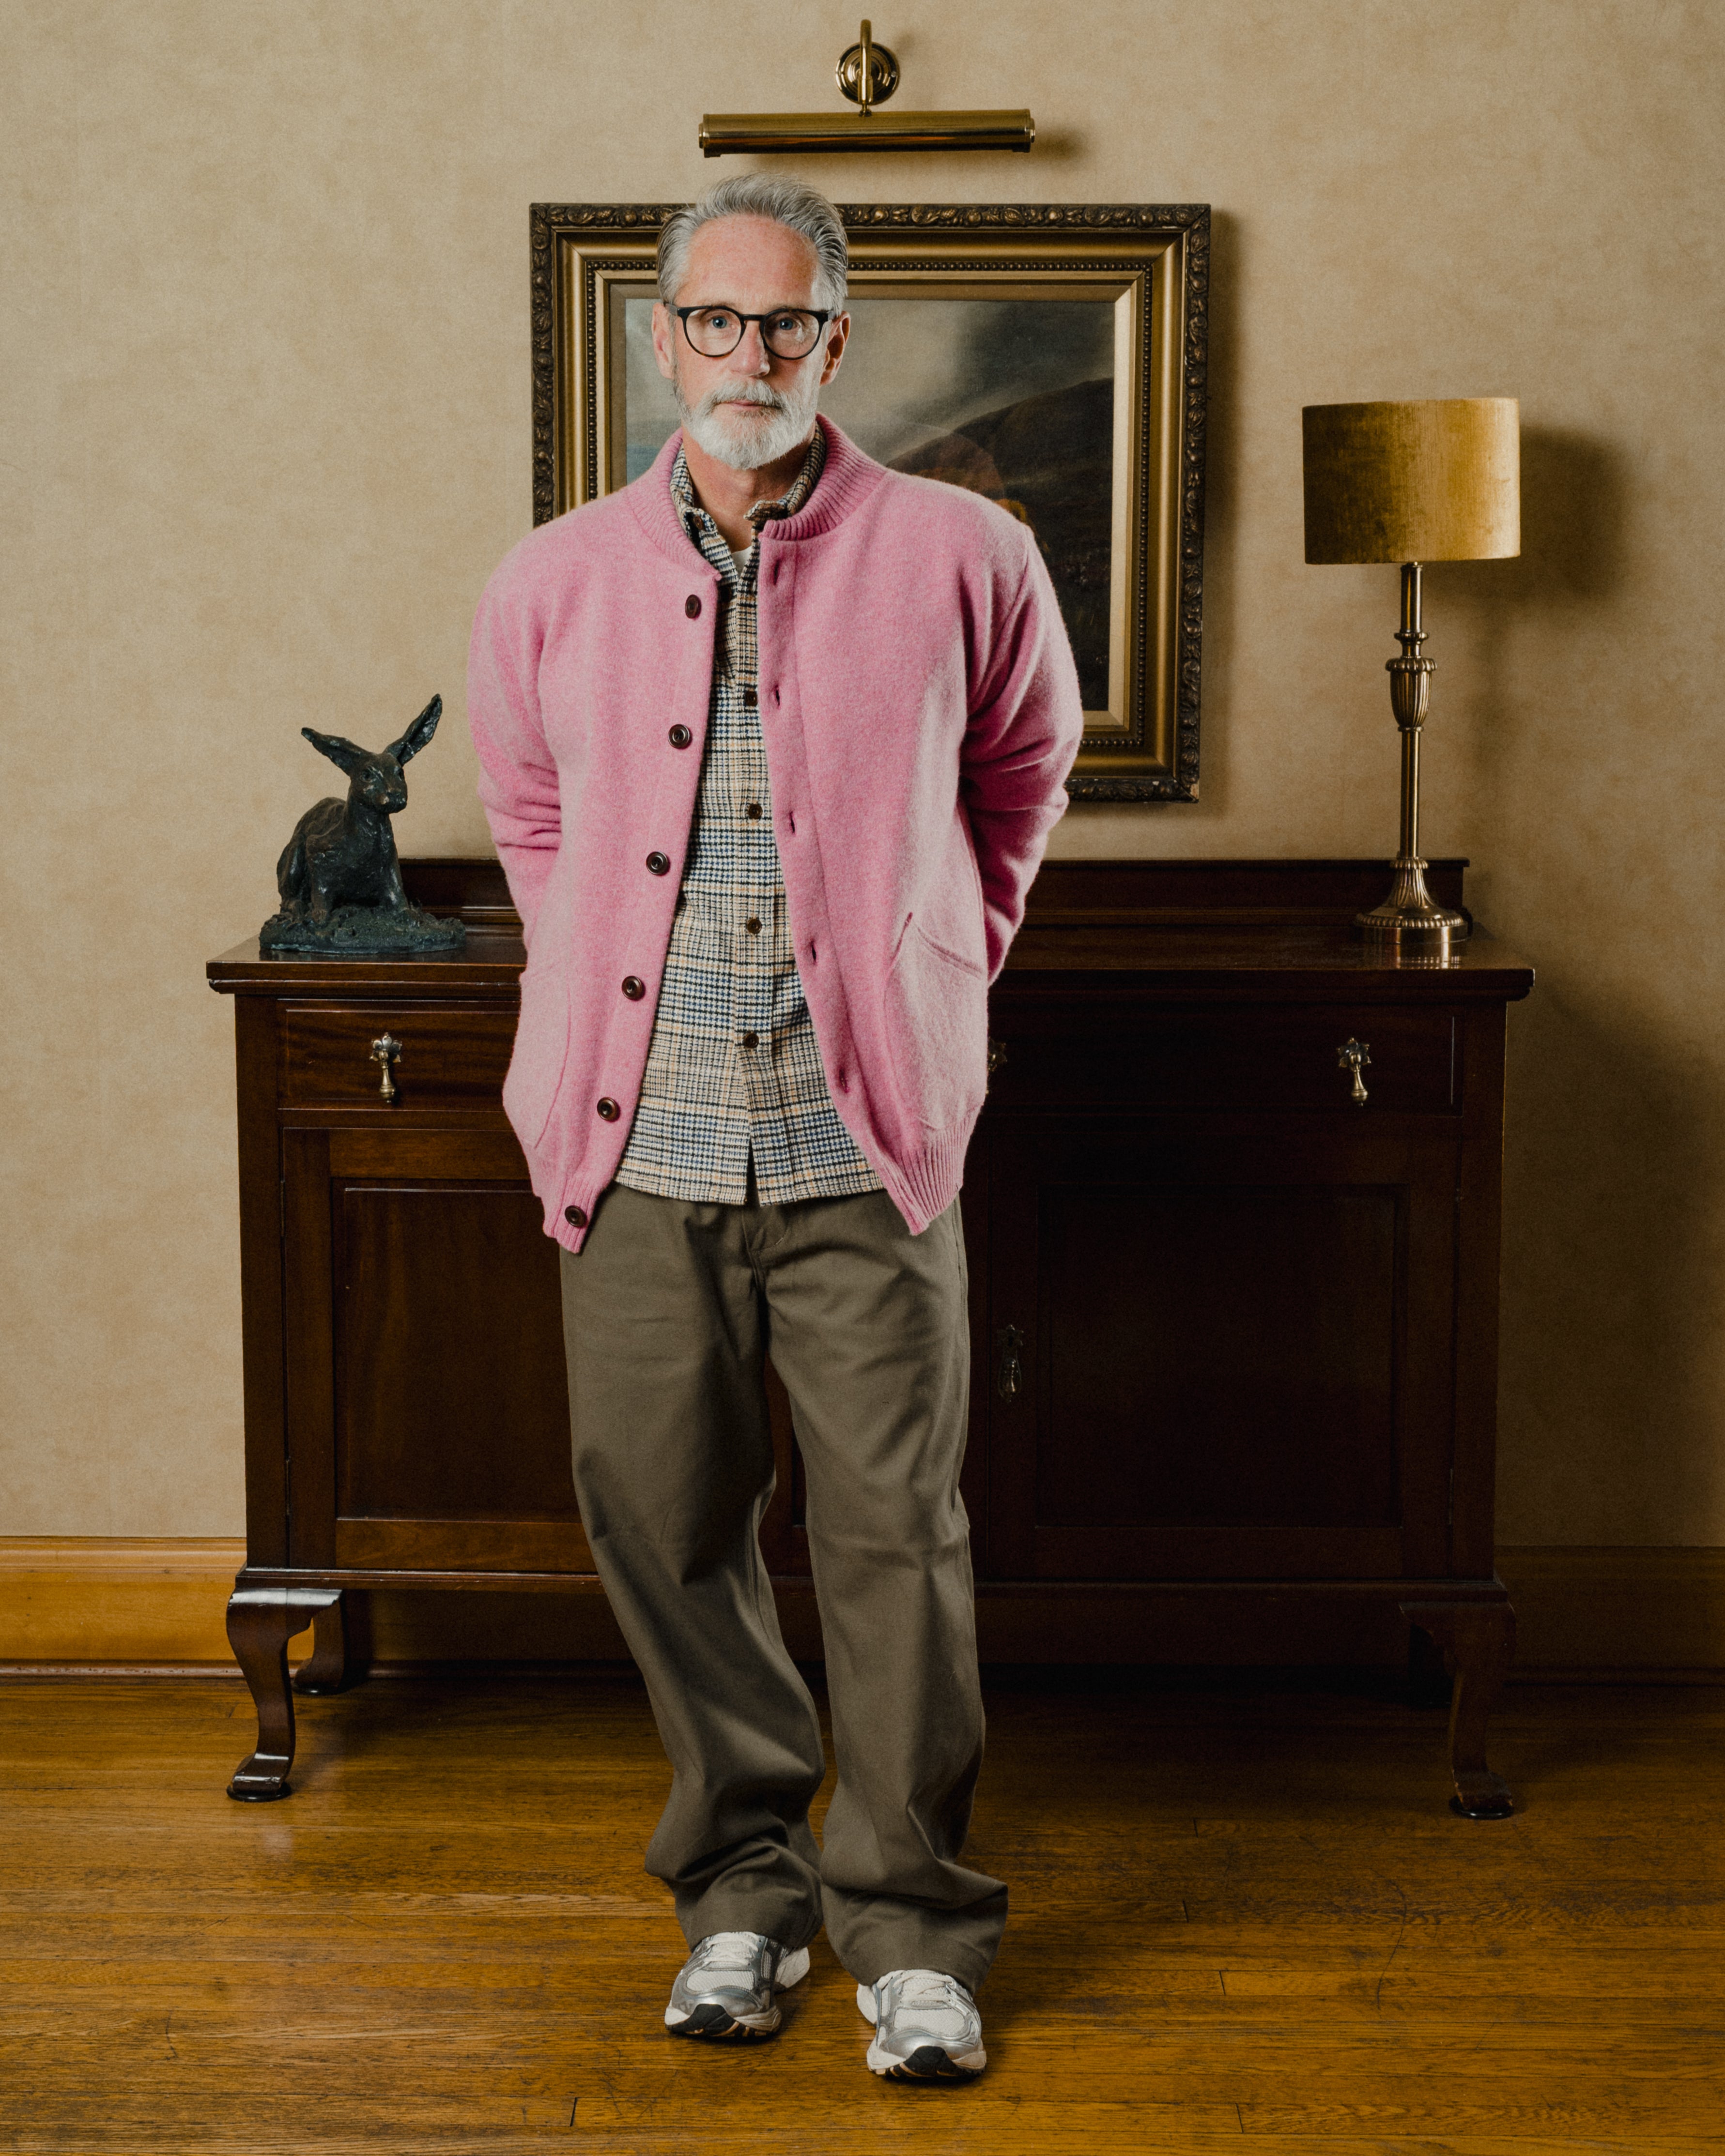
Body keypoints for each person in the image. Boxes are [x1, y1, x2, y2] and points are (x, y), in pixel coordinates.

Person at [467, 173, 1083, 2085]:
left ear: (838, 341)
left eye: (789, 324)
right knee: (662, 1521)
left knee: (900, 1536)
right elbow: (532, 807)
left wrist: (946, 952)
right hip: (635, 1146)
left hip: (861, 1146)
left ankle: (913, 1921)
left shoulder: (965, 550)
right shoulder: (551, 578)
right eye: (717, 322)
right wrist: (585, 968)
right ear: (662, 339)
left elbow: (1022, 767)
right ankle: (743, 1897)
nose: (751, 355)